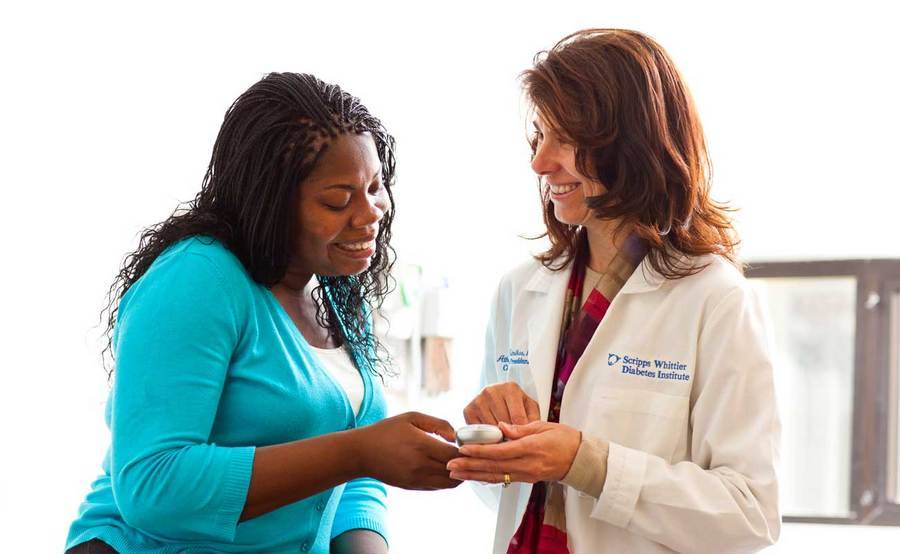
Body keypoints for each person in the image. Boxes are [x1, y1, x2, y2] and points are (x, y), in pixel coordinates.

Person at [65, 73, 460, 554]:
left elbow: (355, 475)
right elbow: (152, 483)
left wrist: (364, 489)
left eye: (376, 187)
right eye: (338, 199)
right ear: (271, 201)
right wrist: (359, 451)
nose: (370, 212)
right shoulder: (198, 279)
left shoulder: (331, 285)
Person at [448, 29, 781, 553]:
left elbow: (748, 515)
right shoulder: (519, 290)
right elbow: (506, 502)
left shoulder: (715, 298)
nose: (540, 162)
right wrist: (495, 440)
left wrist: (589, 463)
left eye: (565, 139)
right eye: (538, 136)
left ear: (631, 142)